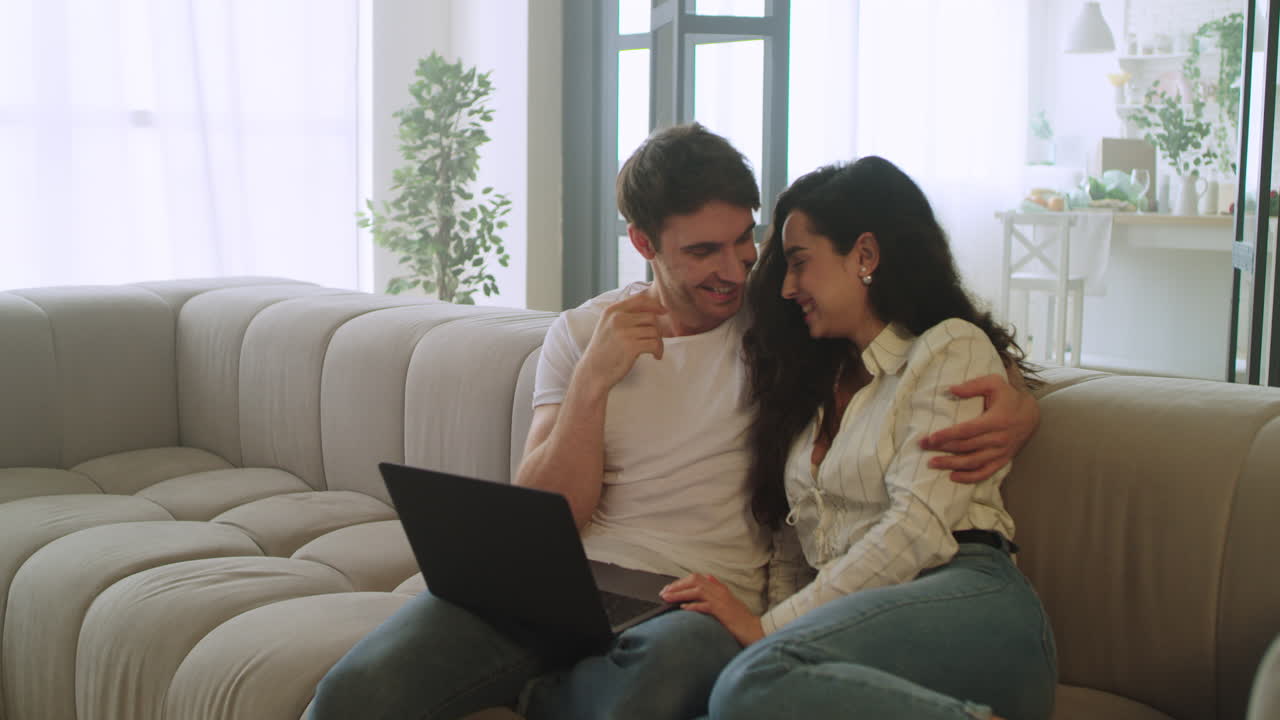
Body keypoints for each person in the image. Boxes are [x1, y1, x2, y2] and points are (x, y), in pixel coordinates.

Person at [309, 128, 1041, 720]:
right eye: (702, 251)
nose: (735, 268)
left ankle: (544, 693)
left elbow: (915, 341)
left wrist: (1018, 402)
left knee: (656, 693)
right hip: (558, 580)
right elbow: (548, 512)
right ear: (643, 243)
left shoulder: (783, 321)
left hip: (687, 603)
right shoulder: (580, 334)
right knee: (355, 696)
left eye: (744, 240)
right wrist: (594, 381)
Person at [659, 156, 1058, 720]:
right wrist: (769, 632)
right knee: (729, 702)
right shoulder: (813, 382)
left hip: (967, 599)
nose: (788, 286)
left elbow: (916, 529)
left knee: (751, 681)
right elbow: (798, 555)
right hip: (864, 624)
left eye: (800, 263)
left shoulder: (947, 348)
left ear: (865, 256)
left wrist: (767, 633)